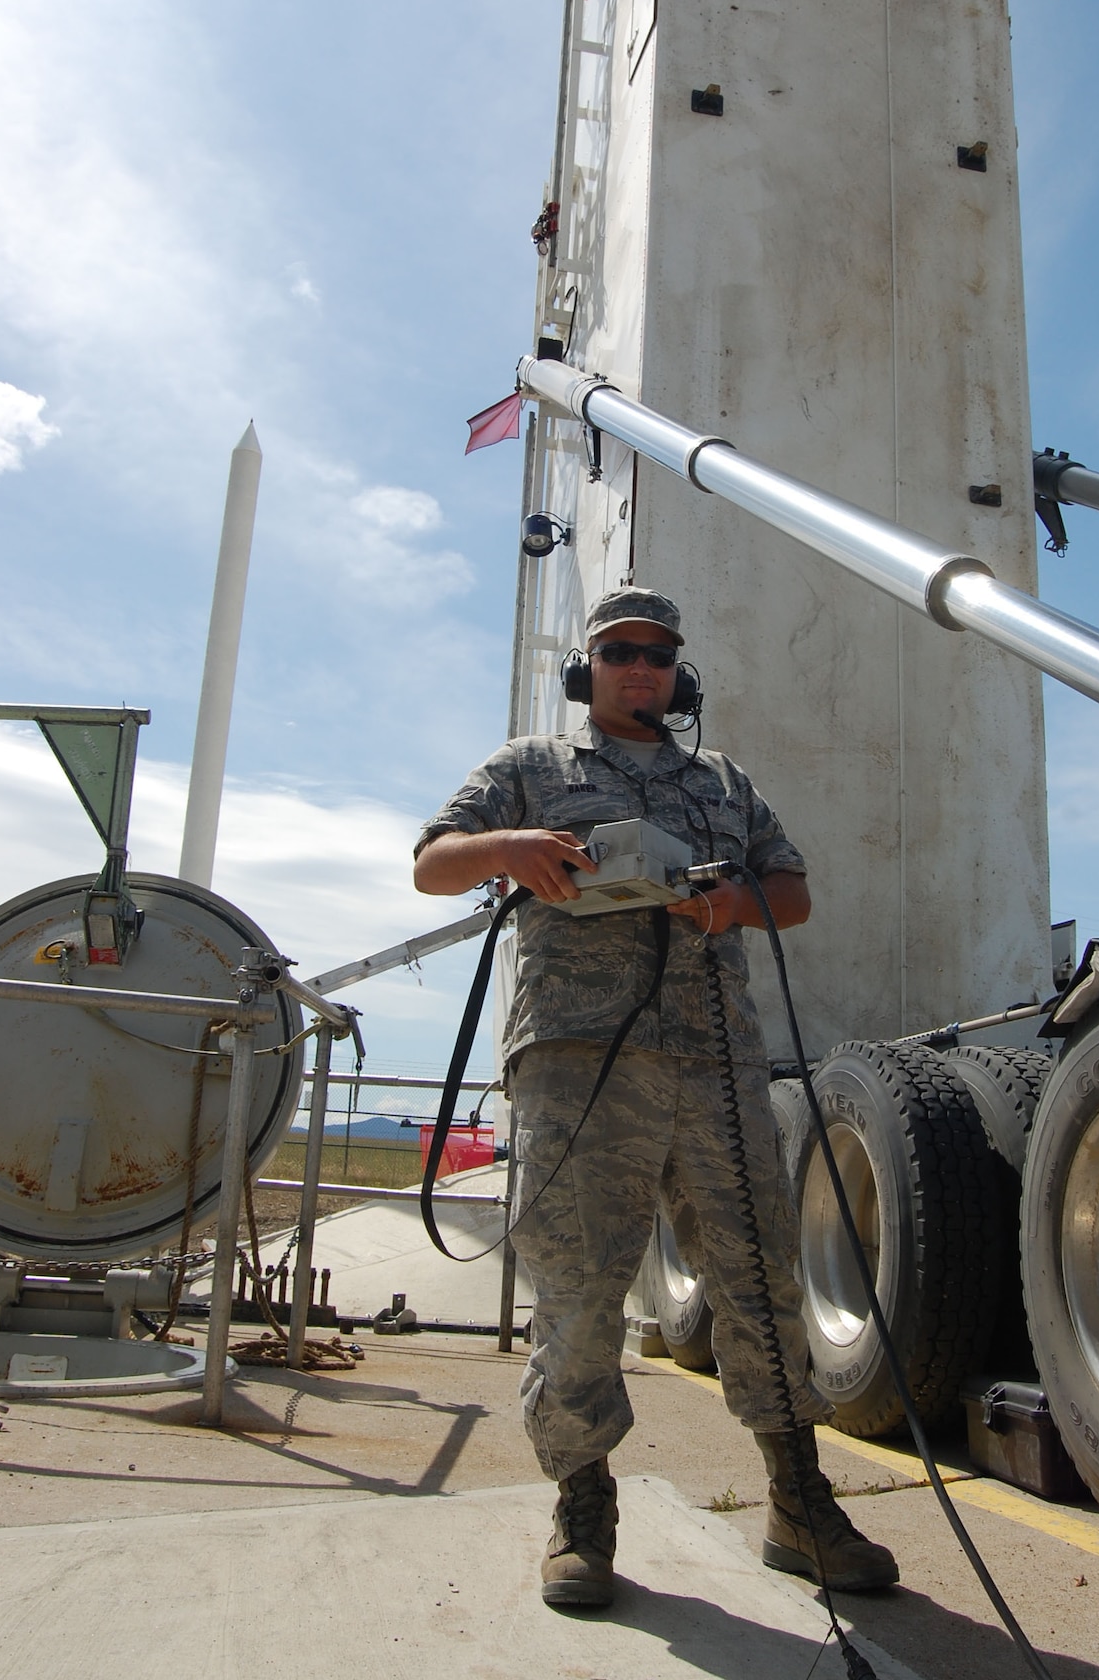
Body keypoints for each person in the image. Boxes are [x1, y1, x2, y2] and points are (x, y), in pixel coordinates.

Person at [413, 588, 898, 1608]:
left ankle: (796, 1499)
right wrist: (508, 850)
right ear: (587, 670)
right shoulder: (529, 769)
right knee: (581, 1291)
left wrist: (733, 902)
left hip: (713, 1059)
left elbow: (792, 888)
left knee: (758, 1279)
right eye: (621, 652)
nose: (642, 668)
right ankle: (583, 1507)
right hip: (578, 1060)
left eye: (659, 654)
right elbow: (430, 863)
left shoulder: (721, 779)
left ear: (679, 672)